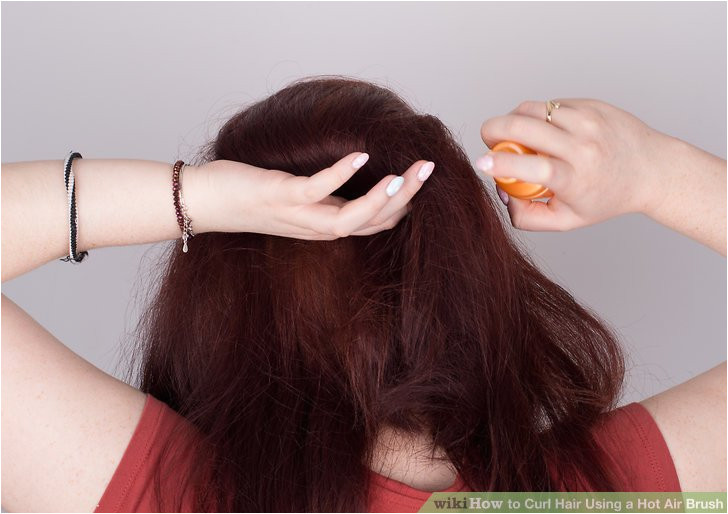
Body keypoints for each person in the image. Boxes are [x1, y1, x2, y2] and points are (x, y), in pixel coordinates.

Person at [1, 77, 725, 513]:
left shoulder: (160, 496)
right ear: (472, 280)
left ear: (215, 301)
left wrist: (196, 197)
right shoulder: (600, 493)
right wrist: (655, 174)